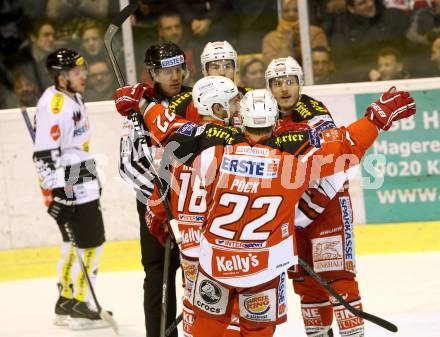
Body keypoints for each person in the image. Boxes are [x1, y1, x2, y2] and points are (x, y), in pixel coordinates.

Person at [113, 82, 415, 337]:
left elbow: (171, 130)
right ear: (275, 122)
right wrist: (377, 117)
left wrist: (142, 103)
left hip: (216, 267)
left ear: (241, 121)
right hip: (263, 272)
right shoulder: (295, 165)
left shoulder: (214, 152)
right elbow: (347, 145)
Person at [265, 55, 365, 337]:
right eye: (277, 83)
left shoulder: (315, 114)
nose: (284, 89)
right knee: (305, 280)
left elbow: (334, 166)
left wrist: (309, 208)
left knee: (337, 275)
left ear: (300, 83)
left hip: (328, 203)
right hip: (294, 212)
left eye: (289, 82)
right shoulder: (264, 116)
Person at [147, 76, 241, 337]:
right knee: (227, 311)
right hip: (219, 243)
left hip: (188, 242)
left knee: (193, 303)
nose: (237, 107)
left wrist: (158, 223)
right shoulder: (232, 141)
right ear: (217, 108)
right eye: (232, 102)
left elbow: (158, 199)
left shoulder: (178, 140)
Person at [118, 41, 192, 337]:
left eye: (179, 68)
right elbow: (128, 165)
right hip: (154, 206)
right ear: (152, 73)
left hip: (192, 207)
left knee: (200, 274)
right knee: (157, 275)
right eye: (166, 71)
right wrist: (160, 200)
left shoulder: (195, 100)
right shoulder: (137, 110)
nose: (175, 76)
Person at [32, 48, 110, 330]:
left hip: (77, 173)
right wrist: (58, 194)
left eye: (83, 69)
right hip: (68, 182)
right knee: (92, 244)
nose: (84, 75)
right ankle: (80, 306)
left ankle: (66, 301)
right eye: (77, 72)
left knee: (72, 243)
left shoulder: (73, 96)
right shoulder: (55, 107)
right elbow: (44, 156)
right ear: (61, 77)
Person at [261, 0, 329, 67]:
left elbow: (320, 64)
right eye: (286, 11)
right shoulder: (270, 39)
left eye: (296, 10)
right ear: (280, 12)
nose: (291, 14)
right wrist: (286, 44)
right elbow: (273, 68)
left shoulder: (316, 33)